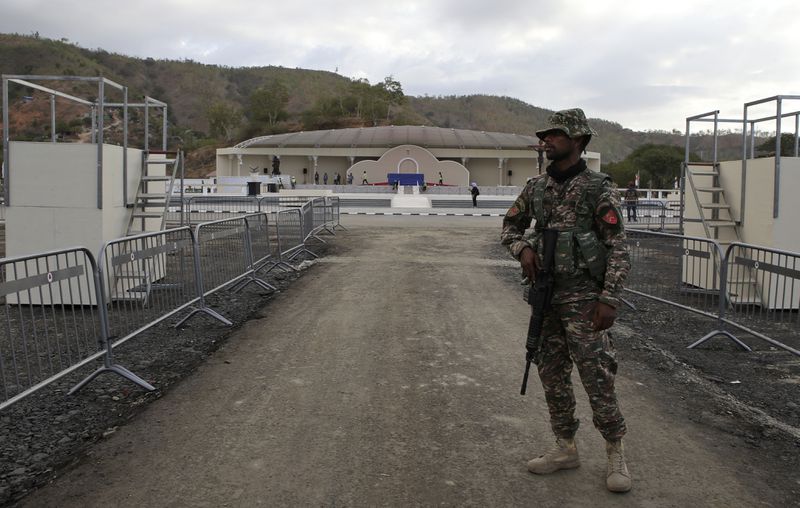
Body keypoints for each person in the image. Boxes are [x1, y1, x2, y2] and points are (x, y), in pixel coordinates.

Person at [501, 108, 632, 493]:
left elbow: (618, 246)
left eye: (555, 134)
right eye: (545, 135)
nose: (547, 140)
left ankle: (615, 452)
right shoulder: (535, 188)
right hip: (547, 298)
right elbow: (509, 226)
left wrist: (609, 298)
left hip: (585, 300)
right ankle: (565, 446)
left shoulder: (596, 188)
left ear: (578, 141)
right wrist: (523, 247)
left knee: (597, 376)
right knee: (552, 374)